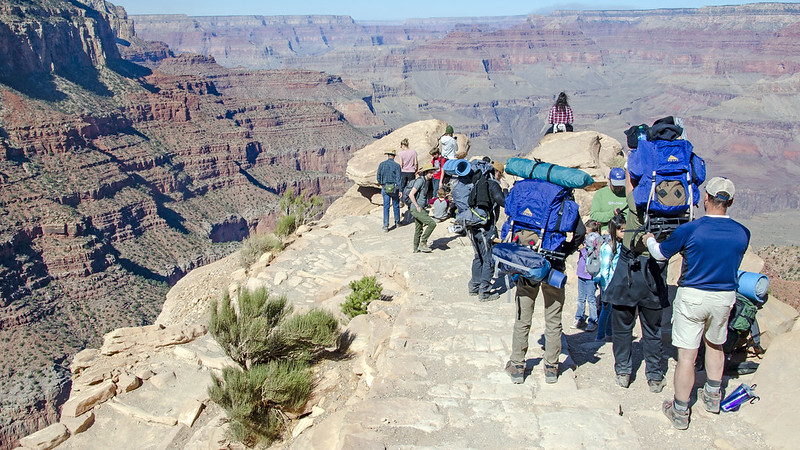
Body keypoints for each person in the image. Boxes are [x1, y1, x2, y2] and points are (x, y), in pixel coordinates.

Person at [644, 177, 750, 430]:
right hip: (724, 297)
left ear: (705, 198)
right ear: (731, 201)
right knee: (716, 344)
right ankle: (713, 397)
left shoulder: (691, 229)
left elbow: (660, 253)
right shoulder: (742, 233)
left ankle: (680, 409)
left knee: (687, 356)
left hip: (693, 295)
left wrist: (649, 239)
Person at [603, 167, 668, 392]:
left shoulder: (635, 201)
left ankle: (623, 371)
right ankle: (655, 376)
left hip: (629, 270)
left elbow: (629, 181)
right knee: (652, 329)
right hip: (655, 272)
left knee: (622, 327)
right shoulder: (669, 205)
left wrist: (634, 164)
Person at [506, 214, 586, 385]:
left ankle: (517, 365)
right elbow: (580, 231)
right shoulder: (562, 194)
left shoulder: (528, 191)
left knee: (523, 318)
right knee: (553, 318)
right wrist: (567, 250)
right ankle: (551, 367)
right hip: (554, 264)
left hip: (528, 262)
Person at [467, 161, 505, 302]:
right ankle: (485, 292)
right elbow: (502, 201)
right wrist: (505, 189)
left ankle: (474, 286)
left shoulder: (477, 181)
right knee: (489, 258)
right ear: (498, 173)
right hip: (486, 227)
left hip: (473, 225)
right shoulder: (491, 183)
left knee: (478, 257)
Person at [595, 212, 626, 342]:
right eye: (621, 230)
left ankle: (609, 333)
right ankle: (600, 335)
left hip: (616, 283)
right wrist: (606, 287)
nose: (623, 232)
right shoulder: (609, 248)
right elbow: (605, 269)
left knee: (611, 310)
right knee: (606, 310)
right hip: (608, 284)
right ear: (614, 230)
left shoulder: (619, 245)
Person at [573, 220, 600, 332]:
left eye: (587, 233)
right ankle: (579, 317)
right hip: (581, 274)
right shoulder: (585, 241)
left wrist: (583, 250)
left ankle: (593, 320)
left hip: (590, 275)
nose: (586, 236)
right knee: (581, 298)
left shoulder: (595, 243)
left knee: (591, 299)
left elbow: (591, 258)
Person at [408, 163, 437, 253]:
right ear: (426, 173)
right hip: (416, 208)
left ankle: (415, 248)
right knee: (432, 223)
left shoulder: (426, 181)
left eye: (433, 172)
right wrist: (417, 206)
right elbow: (411, 194)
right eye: (431, 173)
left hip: (420, 207)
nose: (432, 174)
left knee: (419, 228)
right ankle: (423, 243)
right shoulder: (420, 181)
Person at [591, 167, 627, 234]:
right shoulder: (600, 194)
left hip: (625, 232)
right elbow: (594, 215)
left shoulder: (628, 193)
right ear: (609, 180)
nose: (618, 188)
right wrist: (612, 214)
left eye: (620, 185)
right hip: (607, 232)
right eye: (615, 185)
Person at [376, 149, 401, 232]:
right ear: (393, 156)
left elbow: (378, 177)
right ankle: (397, 222)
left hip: (385, 187)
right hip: (394, 188)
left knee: (386, 207)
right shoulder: (397, 166)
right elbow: (399, 179)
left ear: (388, 155)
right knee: (396, 205)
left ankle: (386, 226)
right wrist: (400, 190)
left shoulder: (382, 164)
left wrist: (382, 184)